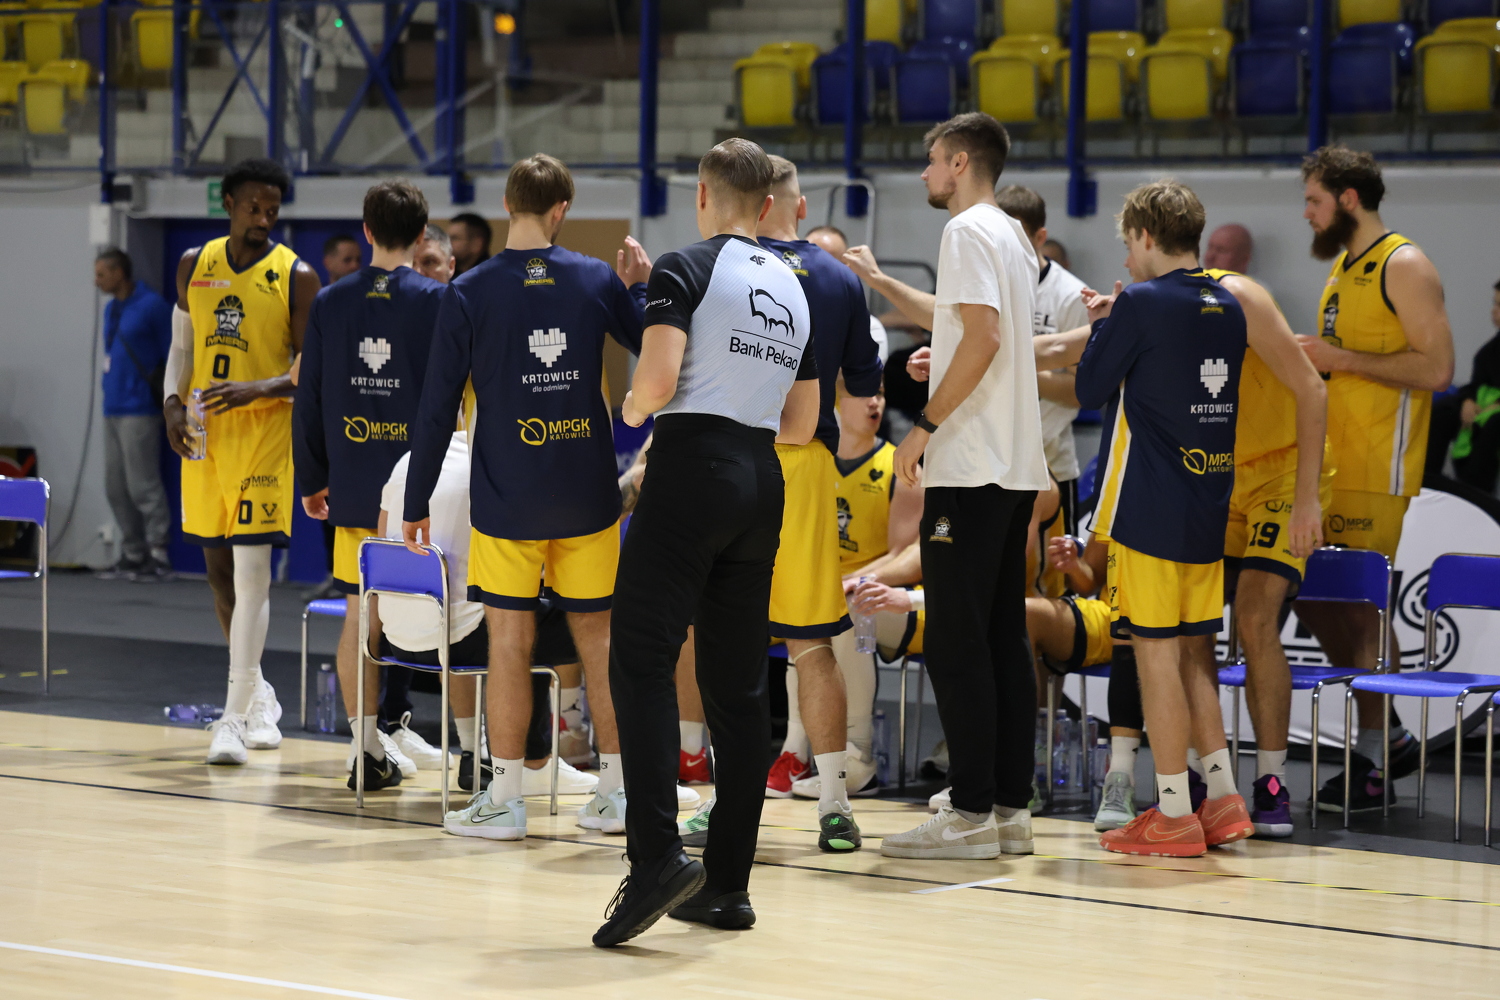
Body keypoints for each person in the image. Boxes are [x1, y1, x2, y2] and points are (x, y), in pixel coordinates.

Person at [595, 138, 819, 946]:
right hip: (763, 479)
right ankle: (727, 884)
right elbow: (801, 422)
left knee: (641, 657)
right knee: (737, 685)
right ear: (768, 206)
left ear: (701, 195)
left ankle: (656, 857)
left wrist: (630, 412)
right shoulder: (795, 285)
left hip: (692, 467)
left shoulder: (684, 266)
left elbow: (655, 384)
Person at [404, 154, 646, 842]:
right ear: (561, 209)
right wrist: (637, 289)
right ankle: (618, 794)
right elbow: (654, 346)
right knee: (599, 641)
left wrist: (417, 500)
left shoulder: (469, 291)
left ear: (507, 206)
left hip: (507, 498)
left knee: (508, 641)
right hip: (588, 497)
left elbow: (436, 408)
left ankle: (506, 800)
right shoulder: (595, 278)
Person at [842, 112, 1050, 861]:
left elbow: (983, 337)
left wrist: (924, 425)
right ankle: (1008, 808)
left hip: (970, 463)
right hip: (1015, 465)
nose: (926, 173)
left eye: (932, 160)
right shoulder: (1013, 236)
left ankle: (967, 813)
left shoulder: (964, 230)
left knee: (960, 643)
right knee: (1001, 637)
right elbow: (974, 328)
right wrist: (883, 285)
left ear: (960, 162)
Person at [1075, 180, 1250, 858]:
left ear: (1146, 236)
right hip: (1208, 505)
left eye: (1128, 242)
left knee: (1155, 662)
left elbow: (1091, 388)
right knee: (1193, 656)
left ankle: (1174, 811)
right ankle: (1224, 798)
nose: (1128, 256)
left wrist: (1106, 323)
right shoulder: (1228, 303)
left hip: (1148, 509)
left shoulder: (1142, 302)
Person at [1294, 146, 1455, 812]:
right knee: (1308, 594)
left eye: (1314, 201)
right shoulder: (1342, 266)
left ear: (1348, 198)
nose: (1307, 214)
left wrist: (1341, 359)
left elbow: (1437, 369)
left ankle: (1373, 757)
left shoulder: (1404, 263)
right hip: (1334, 464)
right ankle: (1388, 734)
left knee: (1362, 609)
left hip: (1378, 466)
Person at [375, 429, 653, 802]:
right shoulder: (501, 465)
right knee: (575, 616)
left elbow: (384, 541)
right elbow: (567, 535)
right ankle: (556, 762)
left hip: (399, 640)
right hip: (464, 636)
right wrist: (632, 482)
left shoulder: (408, 462)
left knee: (491, 604)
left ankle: (478, 752)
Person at [745, 155, 883, 853]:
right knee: (812, 643)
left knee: (732, 643)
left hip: (738, 460)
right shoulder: (839, 277)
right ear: (799, 206)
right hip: (808, 468)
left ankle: (733, 803)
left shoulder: (728, 267)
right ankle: (834, 804)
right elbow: (865, 379)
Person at [164, 158, 322, 765]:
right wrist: (171, 404)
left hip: (264, 438)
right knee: (218, 575)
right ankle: (257, 695)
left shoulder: (296, 275)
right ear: (228, 203)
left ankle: (232, 717)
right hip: (205, 438)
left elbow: (310, 370)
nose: (263, 219)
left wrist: (258, 389)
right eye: (254, 207)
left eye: (272, 210)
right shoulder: (193, 264)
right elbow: (181, 349)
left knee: (253, 573)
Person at [293, 180, 448, 791]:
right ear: (421, 235)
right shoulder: (439, 300)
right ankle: (473, 753)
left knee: (362, 618)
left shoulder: (331, 301)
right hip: (422, 495)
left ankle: (364, 750)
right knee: (456, 617)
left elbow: (308, 397)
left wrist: (313, 479)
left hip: (355, 489)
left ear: (366, 230)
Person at [1197, 262, 1327, 837]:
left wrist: (1306, 500)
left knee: (1253, 617)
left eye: (1129, 247)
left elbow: (1313, 388)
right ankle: (1208, 778)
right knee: (1191, 625)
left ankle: (1272, 784)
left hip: (1282, 471)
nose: (1124, 260)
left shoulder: (1237, 295)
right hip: (1219, 476)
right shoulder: (1152, 303)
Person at [996, 185, 1090, 530]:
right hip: (988, 463)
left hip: (1050, 464)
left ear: (1040, 237)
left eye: (1017, 237)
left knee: (1052, 567)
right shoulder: (982, 286)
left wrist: (1008, 369)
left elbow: (1081, 392)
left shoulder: (1071, 296)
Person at [94, 247, 173, 581]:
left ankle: (158, 552)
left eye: (101, 274)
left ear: (119, 273)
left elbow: (174, 351)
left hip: (140, 408)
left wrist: (173, 400)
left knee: (143, 484)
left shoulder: (152, 306)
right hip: (112, 407)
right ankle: (133, 551)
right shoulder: (111, 309)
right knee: (115, 486)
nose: (96, 281)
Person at [1426, 279, 1500, 488]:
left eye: (1499, 305)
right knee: (1444, 411)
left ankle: (1476, 490)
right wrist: (1468, 401)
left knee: (1494, 423)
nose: (1494, 311)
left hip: (1495, 415)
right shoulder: (1490, 351)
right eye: (1495, 304)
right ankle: (1428, 482)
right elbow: (1476, 383)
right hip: (1485, 406)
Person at [805, 225, 889, 364]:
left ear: (847, 269)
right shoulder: (781, 316)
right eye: (809, 260)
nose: (816, 270)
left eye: (828, 263)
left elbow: (852, 378)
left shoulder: (869, 329)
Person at [446, 212, 492, 277]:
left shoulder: (494, 278)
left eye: (454, 238)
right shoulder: (447, 275)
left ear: (476, 244)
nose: (447, 243)